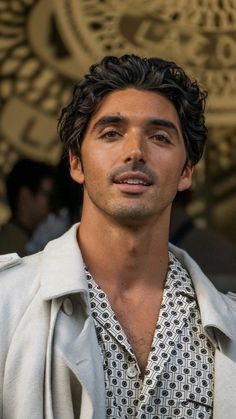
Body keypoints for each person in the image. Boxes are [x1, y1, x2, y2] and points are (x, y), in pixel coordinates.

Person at [0, 55, 235, 419]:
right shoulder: (7, 304)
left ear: (186, 171)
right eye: (111, 133)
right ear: (76, 163)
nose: (135, 152)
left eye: (159, 137)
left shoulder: (228, 325)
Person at [0, 159, 54, 256]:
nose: (52, 202)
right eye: (47, 194)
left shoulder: (16, 240)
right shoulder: (13, 249)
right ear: (25, 197)